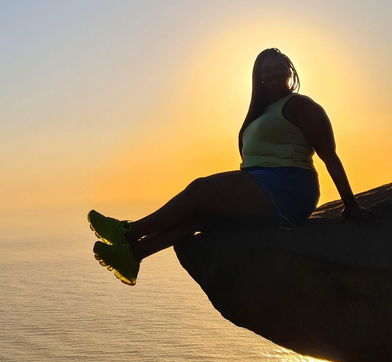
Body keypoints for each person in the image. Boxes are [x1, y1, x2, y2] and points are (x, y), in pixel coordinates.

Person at [89, 48, 381, 286]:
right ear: (260, 78)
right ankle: (135, 255)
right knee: (201, 217)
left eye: (282, 68)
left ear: (292, 73)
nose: (275, 73)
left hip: (290, 188)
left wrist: (351, 204)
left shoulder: (301, 106)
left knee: (201, 190)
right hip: (260, 183)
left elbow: (330, 155)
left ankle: (127, 233)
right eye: (267, 70)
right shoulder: (259, 114)